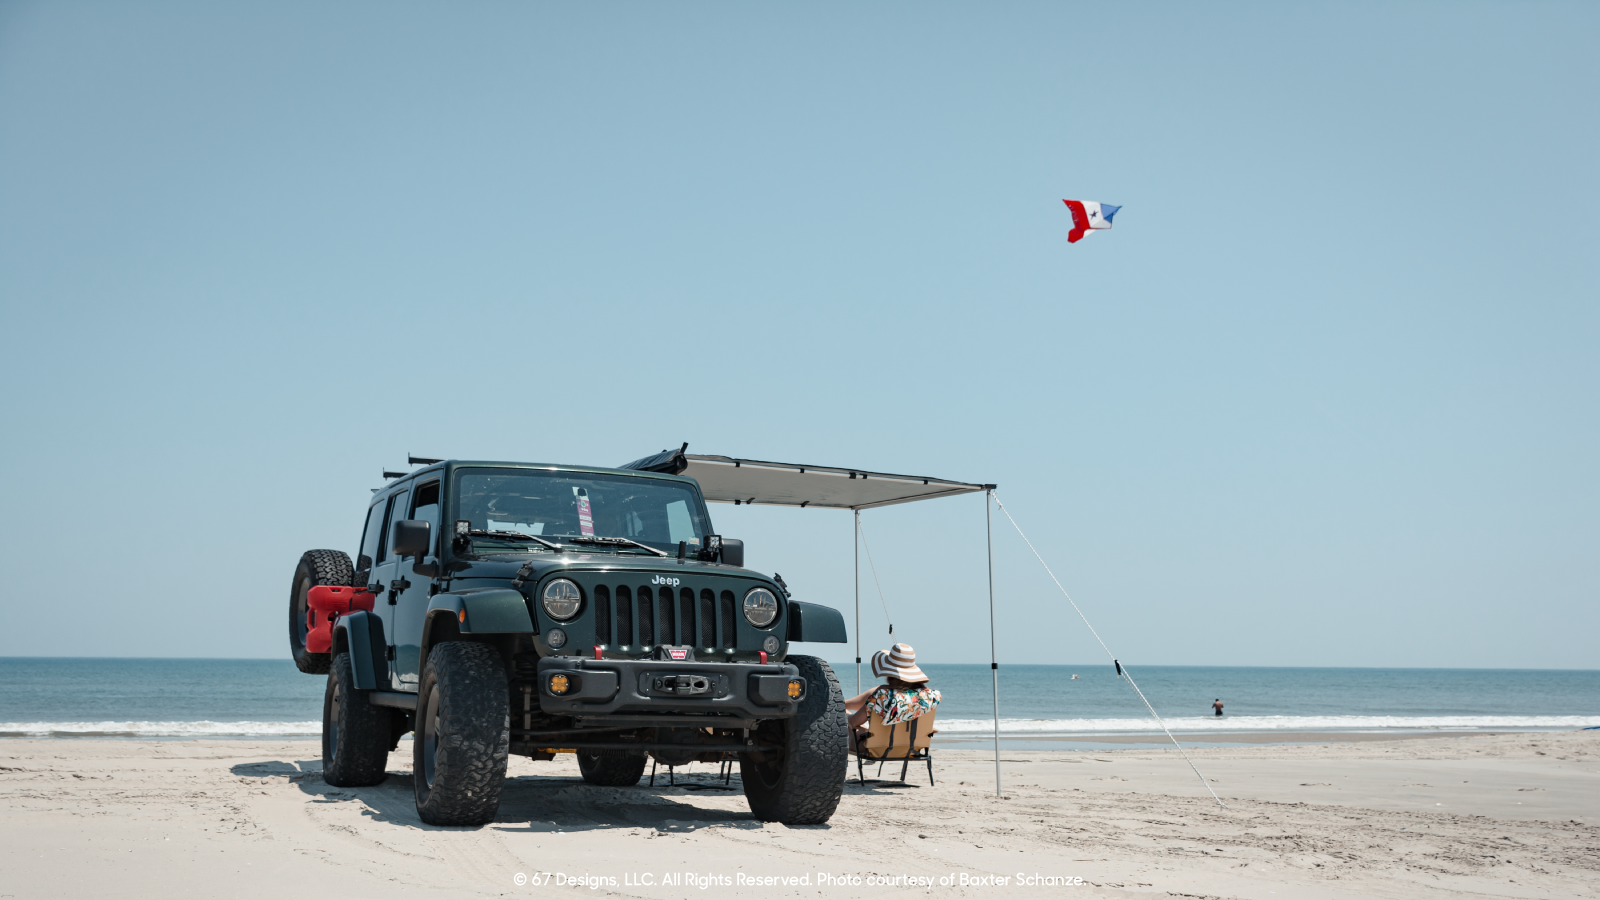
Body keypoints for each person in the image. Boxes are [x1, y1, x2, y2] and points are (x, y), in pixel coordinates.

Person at [845, 643, 941, 743]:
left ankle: (841, 706)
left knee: (849, 728)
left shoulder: (883, 695)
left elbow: (853, 722)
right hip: (913, 747)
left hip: (880, 748)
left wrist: (844, 715)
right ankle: (843, 704)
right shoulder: (930, 697)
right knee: (878, 694)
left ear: (889, 672)